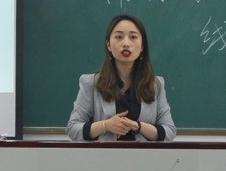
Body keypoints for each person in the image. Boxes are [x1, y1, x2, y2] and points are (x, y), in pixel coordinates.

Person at [66, 14, 176, 142]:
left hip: (144, 155)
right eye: (119, 37)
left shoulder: (155, 84)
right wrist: (106, 125)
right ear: (108, 45)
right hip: (105, 154)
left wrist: (138, 126)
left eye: (133, 37)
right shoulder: (91, 83)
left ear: (142, 46)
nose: (126, 43)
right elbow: (73, 129)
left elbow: (169, 132)